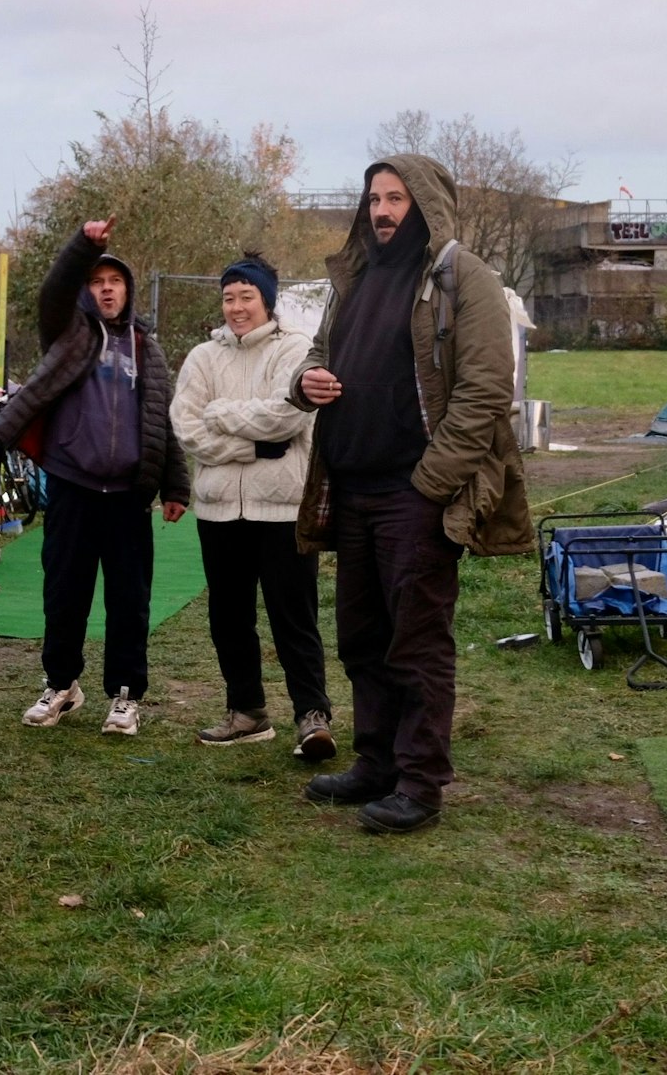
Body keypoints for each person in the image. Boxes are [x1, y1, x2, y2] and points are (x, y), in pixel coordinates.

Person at [289, 154, 532, 834]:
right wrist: (305, 381)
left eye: (396, 198)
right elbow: (316, 354)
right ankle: (376, 763)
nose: (382, 211)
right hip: (352, 488)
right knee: (362, 637)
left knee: (417, 643)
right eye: (374, 199)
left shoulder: (463, 277)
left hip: (415, 493)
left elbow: (486, 391)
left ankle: (420, 782)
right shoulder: (356, 278)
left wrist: (430, 484)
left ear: (426, 204)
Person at [0, 218, 189, 736]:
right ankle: (61, 685)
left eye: (115, 281)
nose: (106, 289)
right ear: (86, 290)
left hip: (128, 496)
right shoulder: (69, 332)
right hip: (72, 486)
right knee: (65, 594)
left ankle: (125, 696)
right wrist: (84, 245)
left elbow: (160, 419)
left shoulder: (148, 348)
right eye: (97, 281)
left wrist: (176, 485)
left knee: (129, 601)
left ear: (128, 291)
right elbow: (54, 291)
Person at [171, 253, 333, 758]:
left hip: (282, 509)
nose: (237, 307)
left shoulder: (296, 350)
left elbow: (289, 416)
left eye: (247, 296)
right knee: (228, 617)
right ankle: (247, 712)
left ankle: (312, 716)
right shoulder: (202, 357)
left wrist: (220, 412)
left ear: (267, 300)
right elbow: (187, 427)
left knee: (294, 616)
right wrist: (251, 447)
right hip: (219, 510)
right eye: (229, 297)